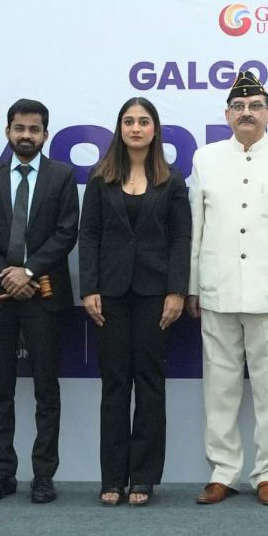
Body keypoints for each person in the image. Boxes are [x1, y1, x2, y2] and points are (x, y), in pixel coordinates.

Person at [186, 71, 268, 506]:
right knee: (218, 387)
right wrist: (192, 288)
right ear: (226, 115)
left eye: (255, 106)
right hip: (217, 289)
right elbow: (195, 230)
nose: (247, 113)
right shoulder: (205, 158)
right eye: (239, 107)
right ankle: (223, 472)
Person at [80, 97, 190, 506]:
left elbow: (182, 238)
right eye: (129, 121)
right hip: (109, 294)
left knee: (148, 385)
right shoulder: (100, 177)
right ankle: (112, 478)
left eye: (144, 121)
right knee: (114, 386)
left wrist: (177, 290)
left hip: (154, 294)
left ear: (155, 129)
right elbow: (88, 235)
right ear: (120, 128)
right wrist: (88, 287)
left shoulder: (171, 180)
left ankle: (142, 478)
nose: (136, 128)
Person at [0, 98, 79, 505]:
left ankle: (43, 475)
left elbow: (67, 232)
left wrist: (28, 271)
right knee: (1, 391)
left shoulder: (62, 176)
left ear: (45, 134)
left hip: (44, 297)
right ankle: (3, 473)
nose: (26, 136)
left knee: (46, 391)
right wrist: (7, 273)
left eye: (34, 129)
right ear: (8, 131)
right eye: (19, 128)